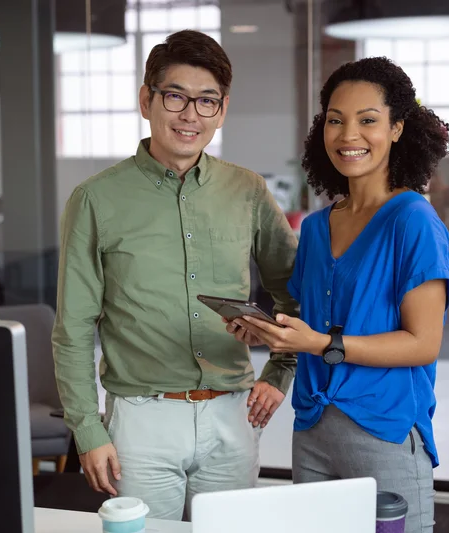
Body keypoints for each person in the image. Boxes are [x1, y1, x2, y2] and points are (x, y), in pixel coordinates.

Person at [51, 30, 299, 521]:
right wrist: (87, 429)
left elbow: (294, 291)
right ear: (147, 100)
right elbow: (73, 328)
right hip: (141, 419)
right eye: (175, 97)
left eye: (207, 101)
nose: (190, 115)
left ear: (221, 111)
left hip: (232, 413)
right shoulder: (95, 199)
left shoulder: (247, 190)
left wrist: (280, 370)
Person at [226, 57, 449, 533]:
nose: (349, 134)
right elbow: (311, 323)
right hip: (313, 429)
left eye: (368, 120)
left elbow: (423, 343)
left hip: (385, 429)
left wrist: (320, 344)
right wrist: (268, 331)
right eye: (335, 120)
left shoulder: (413, 220)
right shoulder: (315, 228)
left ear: (396, 128)